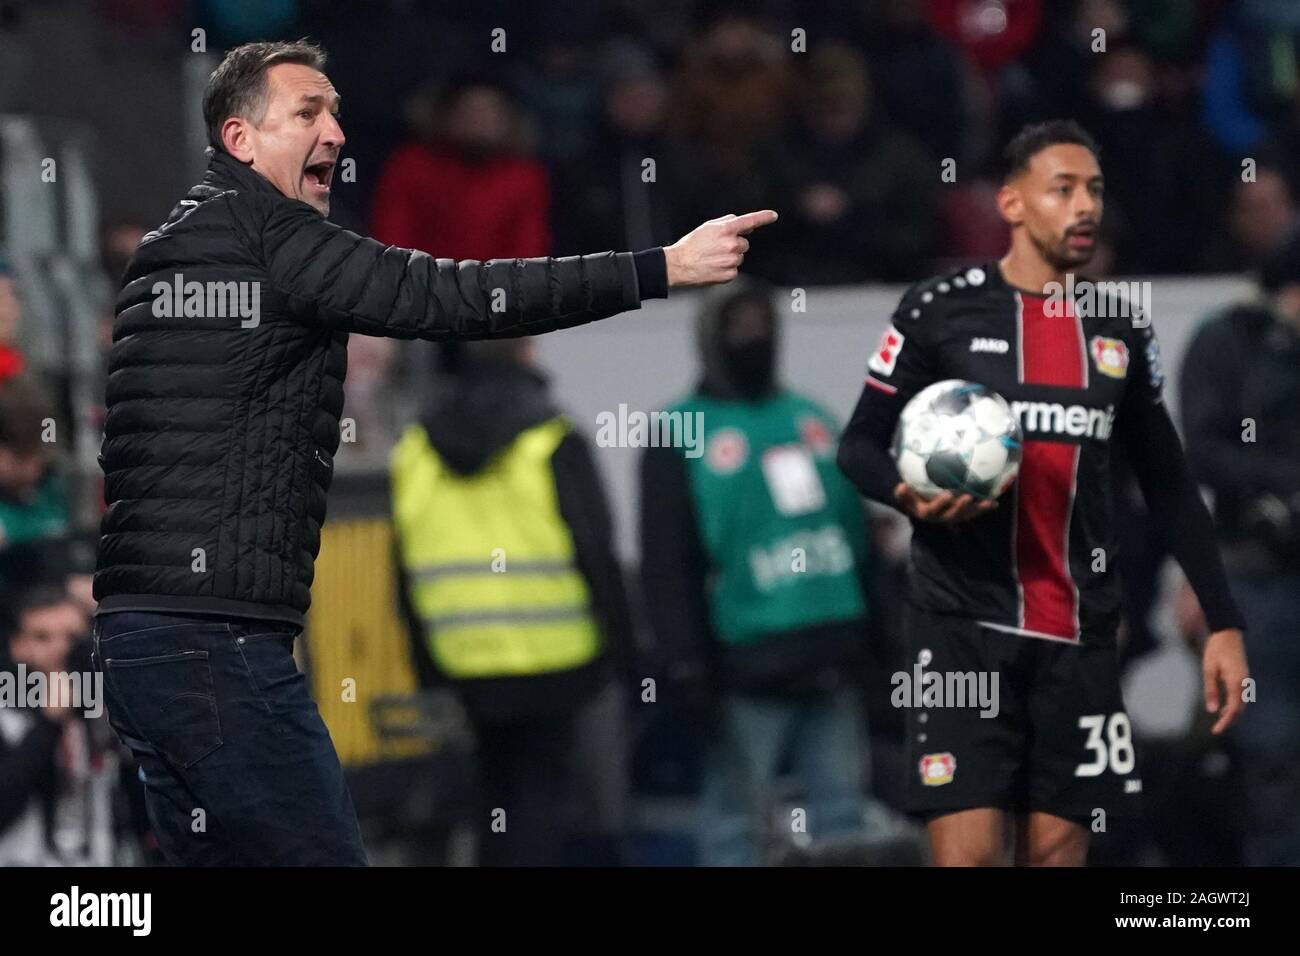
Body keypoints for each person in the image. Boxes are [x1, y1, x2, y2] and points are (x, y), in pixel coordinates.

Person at [92, 38, 776, 866]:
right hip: (217, 644)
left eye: (337, 111)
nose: (336, 132)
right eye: (308, 112)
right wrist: (657, 267)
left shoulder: (163, 253)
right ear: (240, 140)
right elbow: (453, 295)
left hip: (142, 640)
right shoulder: (270, 236)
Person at [836, 120, 1249, 866]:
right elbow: (857, 446)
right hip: (959, 626)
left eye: (1093, 189)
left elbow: (1169, 482)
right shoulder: (940, 308)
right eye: (1063, 189)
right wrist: (907, 493)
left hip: (1080, 637)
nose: (1084, 205)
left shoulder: (1120, 329)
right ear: (1013, 204)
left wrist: (1222, 619)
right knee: (968, 857)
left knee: (1058, 854)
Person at [640, 280, 879, 866]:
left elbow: (860, 540)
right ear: (711, 340)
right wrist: (684, 662)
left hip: (832, 653)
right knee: (735, 828)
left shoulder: (813, 420)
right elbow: (666, 567)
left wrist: (882, 637)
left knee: (842, 820)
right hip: (743, 665)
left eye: (763, 324)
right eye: (739, 327)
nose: (756, 338)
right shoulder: (679, 433)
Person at [391, 338, 634, 866]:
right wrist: (625, 650)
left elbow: (402, 568)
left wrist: (426, 666)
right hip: (556, 659)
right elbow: (597, 551)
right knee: (541, 801)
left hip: (465, 662)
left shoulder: (415, 446)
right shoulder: (551, 435)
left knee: (493, 800)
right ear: (526, 353)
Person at [1180, 231, 1300, 865]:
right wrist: (1281, 486)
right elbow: (1201, 448)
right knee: (1269, 748)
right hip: (1259, 574)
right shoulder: (1232, 341)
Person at [0, 583, 118, 865]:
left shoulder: (104, 711)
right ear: (18, 646)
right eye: (43, 637)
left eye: (71, 637)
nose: (59, 649)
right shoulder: (5, 715)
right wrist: (49, 720)